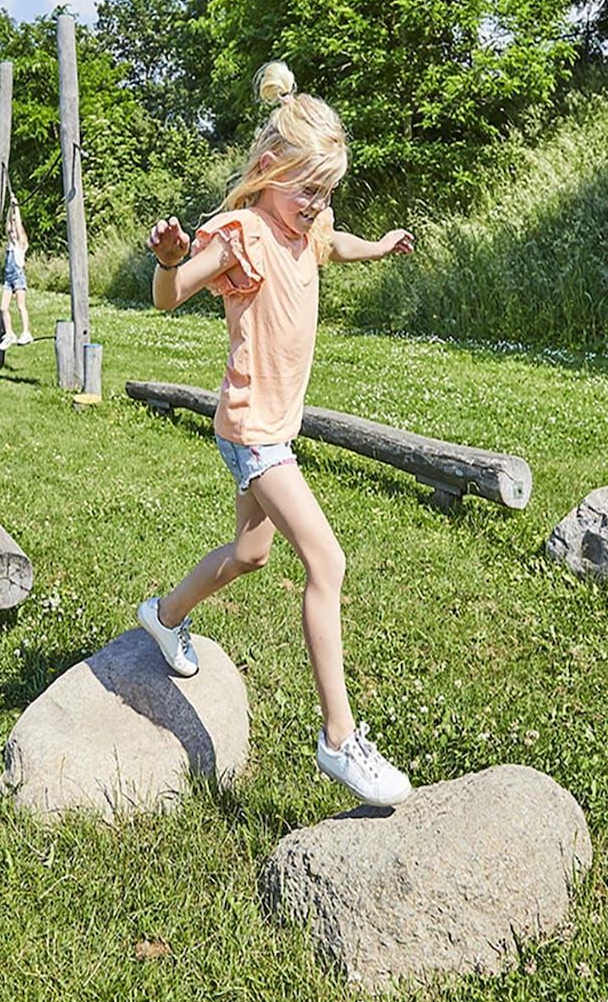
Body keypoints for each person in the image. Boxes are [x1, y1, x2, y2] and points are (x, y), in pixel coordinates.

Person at [140, 60, 417, 807]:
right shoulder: (243, 235)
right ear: (267, 170)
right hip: (253, 432)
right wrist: (169, 261)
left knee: (250, 553)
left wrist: (380, 245)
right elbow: (171, 296)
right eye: (308, 192)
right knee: (327, 562)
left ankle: (163, 617)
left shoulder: (307, 226)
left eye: (327, 194)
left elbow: (335, 241)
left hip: (273, 430)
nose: (317, 207)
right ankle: (339, 739)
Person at [0, 198, 34, 346]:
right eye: (11, 232)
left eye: (14, 232)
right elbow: (9, 224)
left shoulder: (21, 245)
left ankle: (26, 332)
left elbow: (18, 226)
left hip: (18, 278)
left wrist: (17, 207)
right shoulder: (10, 245)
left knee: (21, 306)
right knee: (3, 307)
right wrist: (10, 208)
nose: (12, 233)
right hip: (8, 279)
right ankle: (9, 333)